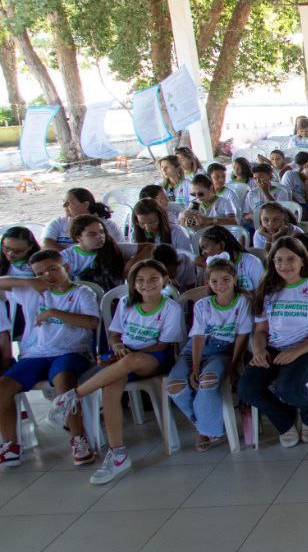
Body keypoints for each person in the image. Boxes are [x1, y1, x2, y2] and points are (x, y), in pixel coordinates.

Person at [52, 260, 182, 484]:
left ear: (165, 281)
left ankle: (73, 396)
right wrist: (118, 346)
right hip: (123, 358)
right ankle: (118, 454)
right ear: (133, 284)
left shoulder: (171, 308)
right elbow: (114, 334)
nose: (147, 284)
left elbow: (162, 345)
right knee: (111, 388)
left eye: (153, 278)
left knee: (130, 360)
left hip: (154, 358)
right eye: (140, 280)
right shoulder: (125, 303)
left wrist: (129, 355)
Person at [0, 250, 100, 467]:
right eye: (40, 273)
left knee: (64, 381)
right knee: (3, 386)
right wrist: (29, 282)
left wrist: (53, 313)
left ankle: (78, 438)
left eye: (53, 269)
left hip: (72, 351)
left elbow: (92, 322)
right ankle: (11, 445)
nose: (47, 275)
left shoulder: (82, 292)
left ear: (66, 268)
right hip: (36, 354)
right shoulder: (32, 292)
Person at [237, 237, 308, 447]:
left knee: (287, 388)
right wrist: (259, 351)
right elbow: (260, 331)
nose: (284, 265)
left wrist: (296, 352)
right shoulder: (267, 291)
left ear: (302, 261)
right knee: (246, 387)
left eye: (291, 259)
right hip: (275, 347)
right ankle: (285, 421)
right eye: (279, 260)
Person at [165, 257, 252, 452]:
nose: (220, 285)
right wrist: (195, 367)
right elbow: (198, 337)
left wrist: (233, 367)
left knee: (208, 381)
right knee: (174, 385)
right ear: (208, 283)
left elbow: (242, 337)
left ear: (235, 279)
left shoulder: (243, 302)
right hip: (195, 350)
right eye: (214, 281)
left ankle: (205, 429)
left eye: (226, 279)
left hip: (223, 351)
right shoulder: (202, 305)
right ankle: (203, 425)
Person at [42, 189, 122, 249]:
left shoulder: (108, 226)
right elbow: (46, 244)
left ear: (85, 205)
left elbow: (115, 251)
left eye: (68, 203)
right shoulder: (57, 223)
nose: (64, 206)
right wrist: (70, 258)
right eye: (64, 203)